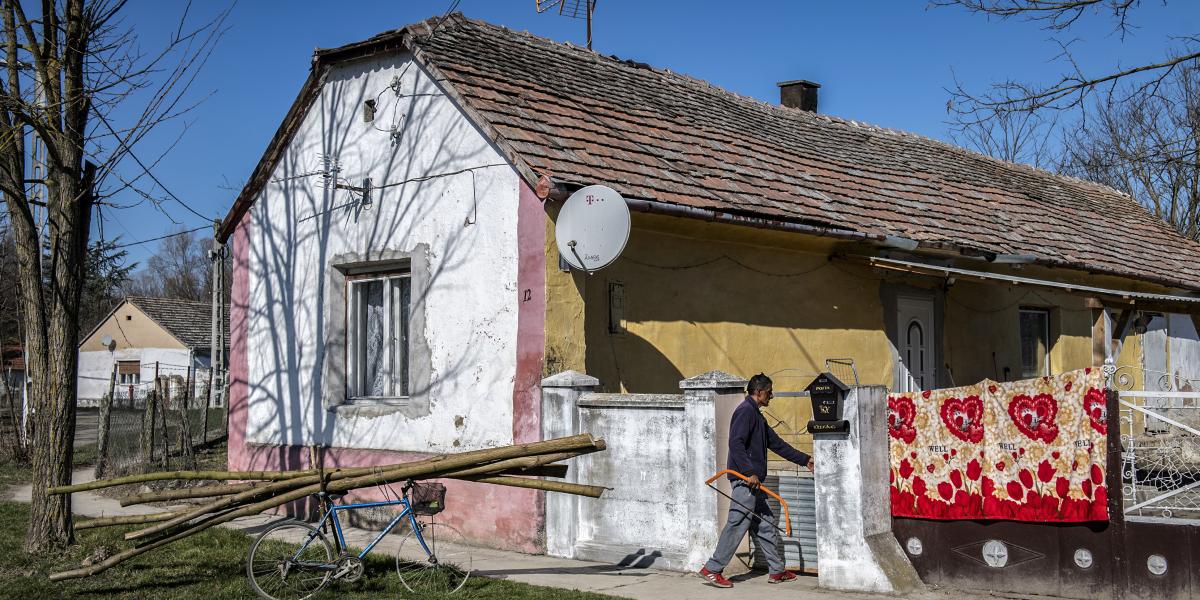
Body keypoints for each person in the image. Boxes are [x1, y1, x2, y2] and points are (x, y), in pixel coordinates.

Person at [698, 373, 814, 588]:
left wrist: (805, 460)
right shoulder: (745, 412)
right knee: (737, 523)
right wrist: (749, 471)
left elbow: (776, 443)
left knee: (765, 524)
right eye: (770, 392)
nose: (772, 396)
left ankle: (777, 571)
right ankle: (712, 569)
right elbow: (736, 443)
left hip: (754, 483)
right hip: (746, 482)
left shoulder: (757, 416)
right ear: (759, 392)